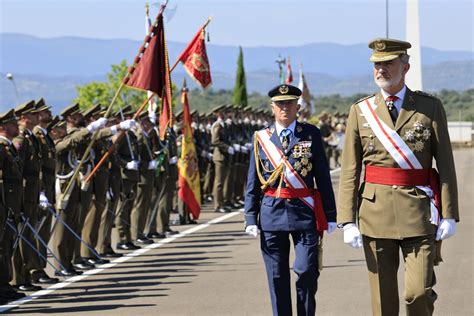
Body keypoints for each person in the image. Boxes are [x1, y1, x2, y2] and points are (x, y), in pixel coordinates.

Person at [337, 38, 459, 316]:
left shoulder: (429, 107)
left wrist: (449, 214)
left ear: (405, 67)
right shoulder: (360, 110)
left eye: (388, 64)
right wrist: (347, 221)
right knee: (383, 301)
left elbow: (446, 165)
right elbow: (349, 170)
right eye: (377, 65)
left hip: (418, 213)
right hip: (374, 214)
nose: (381, 70)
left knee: (418, 293)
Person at [244, 84, 337, 315]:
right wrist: (250, 218)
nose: (284, 108)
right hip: (271, 212)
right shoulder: (261, 138)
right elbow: (253, 181)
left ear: (298, 106)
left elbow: (323, 176)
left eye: (289, 103)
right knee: (276, 276)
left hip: (304, 212)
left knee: (306, 271)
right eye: (280, 104)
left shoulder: (311, 133)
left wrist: (331, 214)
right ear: (272, 107)